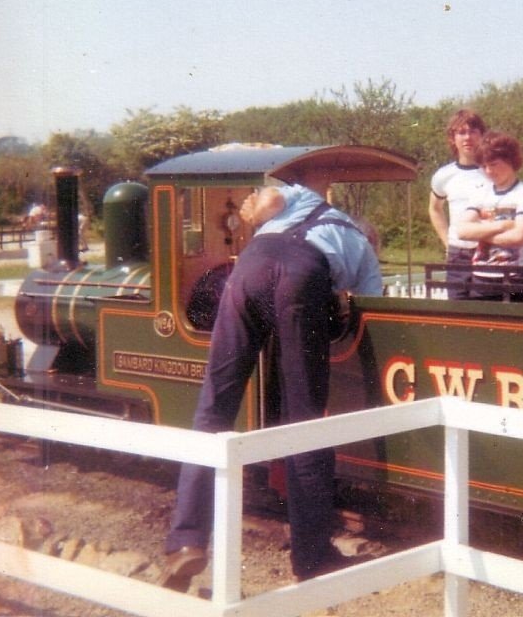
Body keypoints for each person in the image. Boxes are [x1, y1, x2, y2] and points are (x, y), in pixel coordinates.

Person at [160, 182, 382, 590]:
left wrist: (253, 215)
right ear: (369, 237)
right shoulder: (365, 252)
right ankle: (311, 555)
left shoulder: (309, 199)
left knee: (214, 406)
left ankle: (186, 541)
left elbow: (272, 198)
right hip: (303, 279)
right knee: (305, 421)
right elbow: (371, 315)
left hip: (250, 268)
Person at [457, 131, 523, 291]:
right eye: (484, 166)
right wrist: (502, 226)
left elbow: (519, 237)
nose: (488, 171)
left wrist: (480, 232)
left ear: (510, 161)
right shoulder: (480, 193)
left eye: (493, 164)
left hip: (513, 277)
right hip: (480, 278)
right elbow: (462, 231)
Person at [428, 108, 487, 297]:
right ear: (453, 138)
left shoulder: (493, 171)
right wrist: (447, 242)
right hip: (457, 256)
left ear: (482, 135)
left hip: (487, 253)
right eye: (461, 132)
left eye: (473, 131)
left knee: (486, 309)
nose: (468, 137)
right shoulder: (444, 176)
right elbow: (435, 209)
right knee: (457, 308)